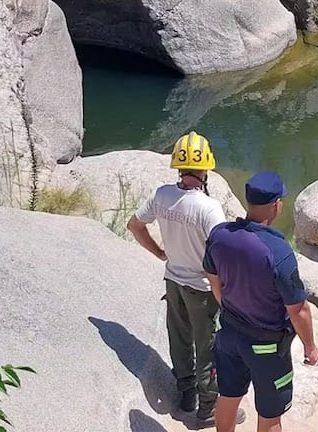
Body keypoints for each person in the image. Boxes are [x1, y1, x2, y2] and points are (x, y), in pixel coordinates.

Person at [126, 131, 245, 428]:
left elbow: (134, 225)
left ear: (178, 166)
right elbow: (223, 253)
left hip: (174, 282)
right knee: (209, 348)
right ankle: (207, 410)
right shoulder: (208, 208)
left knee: (179, 341)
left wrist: (159, 253)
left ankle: (186, 395)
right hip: (203, 290)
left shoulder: (162, 195)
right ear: (205, 169)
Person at [202, 171, 318, 432]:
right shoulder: (278, 252)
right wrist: (310, 347)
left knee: (228, 396)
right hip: (267, 348)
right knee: (270, 414)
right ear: (277, 205)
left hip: (229, 334)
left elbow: (213, 280)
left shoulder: (220, 234)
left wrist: (230, 308)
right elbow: (298, 309)